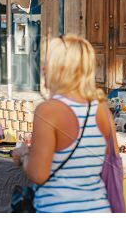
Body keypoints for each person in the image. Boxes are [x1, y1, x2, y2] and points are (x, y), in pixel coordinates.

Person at [12, 34, 119, 213]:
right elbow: (107, 161)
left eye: (48, 62)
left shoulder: (48, 110)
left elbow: (38, 175)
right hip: (99, 209)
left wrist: (23, 155)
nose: (43, 67)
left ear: (60, 68)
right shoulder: (101, 109)